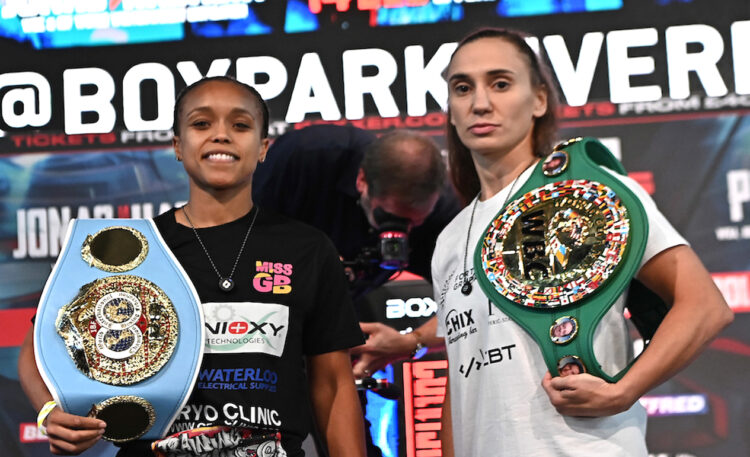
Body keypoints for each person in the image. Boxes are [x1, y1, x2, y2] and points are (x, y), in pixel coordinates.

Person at [17, 76, 366, 457]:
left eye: (241, 125)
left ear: (263, 147)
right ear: (178, 147)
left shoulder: (307, 248)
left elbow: (333, 384)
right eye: (202, 124)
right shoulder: (131, 249)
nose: (221, 135)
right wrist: (49, 413)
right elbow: (36, 350)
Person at [433, 28, 734, 456]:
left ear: (538, 100)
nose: (480, 102)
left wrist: (624, 391)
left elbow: (705, 308)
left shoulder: (588, 191)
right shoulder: (449, 239)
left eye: (500, 83)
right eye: (462, 88)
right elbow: (463, 377)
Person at [252, 125, 460, 377]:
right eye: (387, 216)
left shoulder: (444, 212)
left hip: (341, 326)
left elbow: (471, 304)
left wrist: (412, 342)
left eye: (414, 222)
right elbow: (234, 237)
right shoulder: (308, 156)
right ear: (361, 180)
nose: (399, 232)